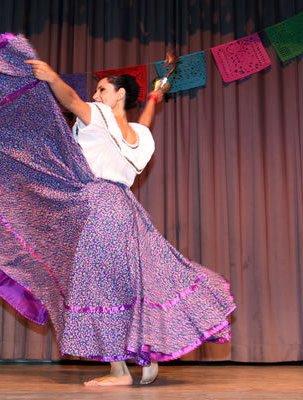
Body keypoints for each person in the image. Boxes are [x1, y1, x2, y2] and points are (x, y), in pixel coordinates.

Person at [24, 59, 234, 386]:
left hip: (98, 204)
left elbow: (71, 100)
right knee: (131, 279)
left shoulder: (97, 115)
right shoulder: (138, 134)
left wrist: (52, 77)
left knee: (99, 283)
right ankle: (146, 352)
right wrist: (154, 97)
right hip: (124, 208)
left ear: (119, 95)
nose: (95, 95)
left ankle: (119, 371)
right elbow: (145, 120)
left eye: (102, 89)